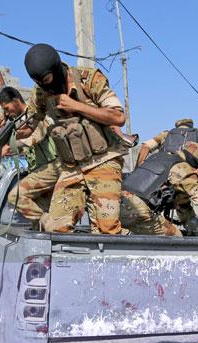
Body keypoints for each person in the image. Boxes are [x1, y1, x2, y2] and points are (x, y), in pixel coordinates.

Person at [23, 43, 127, 234]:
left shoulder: (88, 79)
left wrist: (77, 106)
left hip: (103, 160)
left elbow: (118, 117)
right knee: (55, 228)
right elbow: (30, 123)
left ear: (55, 69)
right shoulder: (40, 93)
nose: (45, 86)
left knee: (107, 230)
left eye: (46, 79)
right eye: (39, 82)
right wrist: (19, 131)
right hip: (71, 167)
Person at [121, 142, 198, 236]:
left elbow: (183, 207)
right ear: (196, 164)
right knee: (175, 239)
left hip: (117, 204)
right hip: (137, 210)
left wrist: (193, 229)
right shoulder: (183, 168)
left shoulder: (158, 156)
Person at [0, 86, 61, 229]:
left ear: (16, 101)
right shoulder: (19, 121)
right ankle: (49, 228)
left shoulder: (35, 112)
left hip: (53, 166)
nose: (7, 112)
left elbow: (34, 137)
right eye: (4, 111)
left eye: (7, 108)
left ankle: (51, 226)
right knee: (38, 214)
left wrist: (10, 144)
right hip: (40, 171)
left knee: (16, 196)